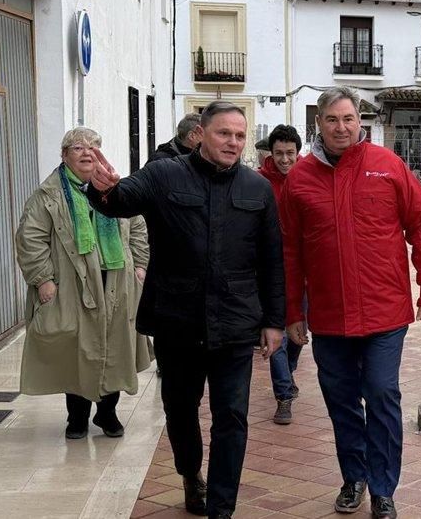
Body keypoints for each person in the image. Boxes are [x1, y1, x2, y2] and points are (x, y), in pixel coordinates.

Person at [87, 102, 284, 519]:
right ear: (201, 134)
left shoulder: (257, 189)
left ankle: (221, 506)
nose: (233, 142)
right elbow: (120, 200)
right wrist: (102, 188)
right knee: (180, 409)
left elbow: (271, 259)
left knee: (232, 415)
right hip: (178, 322)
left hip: (235, 322)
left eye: (239, 135)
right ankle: (190, 474)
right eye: (223, 133)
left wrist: (274, 320)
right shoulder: (165, 174)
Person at [280, 88, 421, 519]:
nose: (341, 127)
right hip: (330, 315)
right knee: (341, 399)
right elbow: (289, 252)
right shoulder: (299, 178)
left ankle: (384, 487)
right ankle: (354, 478)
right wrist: (292, 311)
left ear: (360, 121)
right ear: (318, 123)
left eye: (349, 118)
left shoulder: (387, 167)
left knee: (382, 392)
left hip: (384, 311)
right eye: (332, 120)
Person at [14, 127, 151, 441]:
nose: (87, 153)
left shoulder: (116, 188)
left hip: (116, 279)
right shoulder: (48, 195)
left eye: (94, 147)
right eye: (78, 147)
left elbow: (140, 225)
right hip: (71, 284)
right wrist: (43, 280)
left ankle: (107, 413)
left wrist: (140, 266)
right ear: (65, 155)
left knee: (115, 347)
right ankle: (76, 417)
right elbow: (30, 239)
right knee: (77, 349)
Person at [257, 124, 305, 425]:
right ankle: (284, 395)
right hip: (269, 272)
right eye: (279, 154)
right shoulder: (257, 183)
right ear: (270, 154)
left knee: (297, 336)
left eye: (290, 153)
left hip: (303, 274)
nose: (285, 159)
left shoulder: (308, 179)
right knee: (276, 336)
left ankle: (287, 373)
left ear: (298, 153)